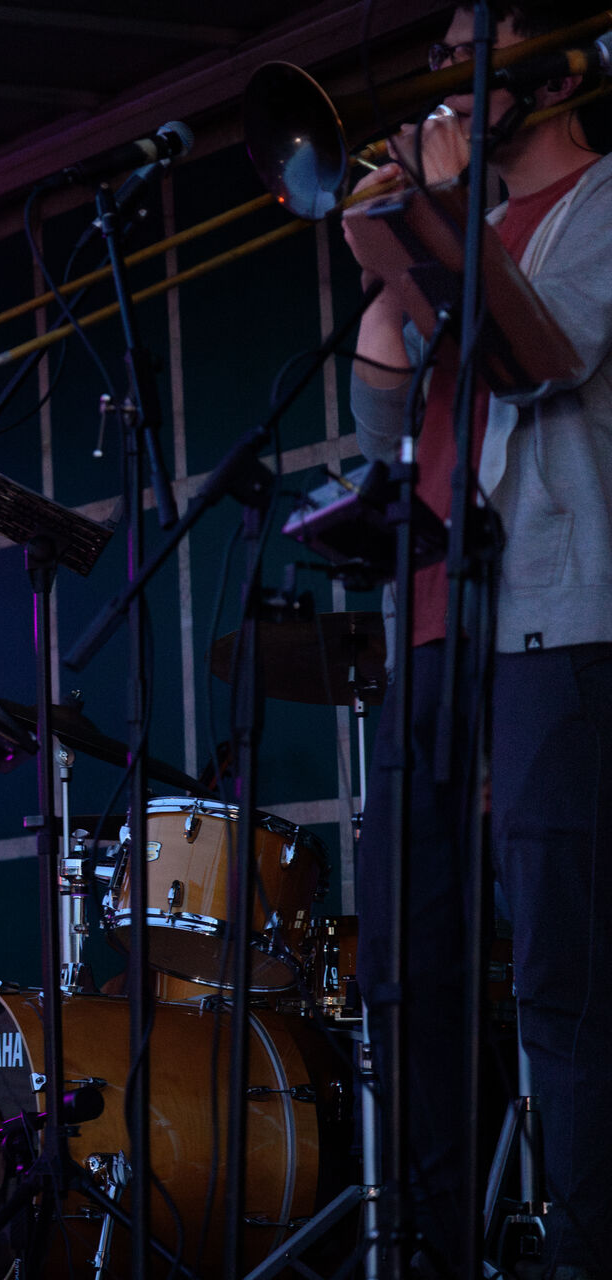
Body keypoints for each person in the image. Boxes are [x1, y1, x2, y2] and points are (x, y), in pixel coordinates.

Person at [345, 4, 612, 1274]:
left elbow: (544, 353)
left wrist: (439, 238)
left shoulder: (606, 202)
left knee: (566, 970)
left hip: (561, 625)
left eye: (482, 39)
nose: (452, 67)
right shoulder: (452, 229)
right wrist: (395, 265)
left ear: (559, 65)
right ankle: (431, 1249)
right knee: (409, 972)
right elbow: (379, 424)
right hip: (438, 626)